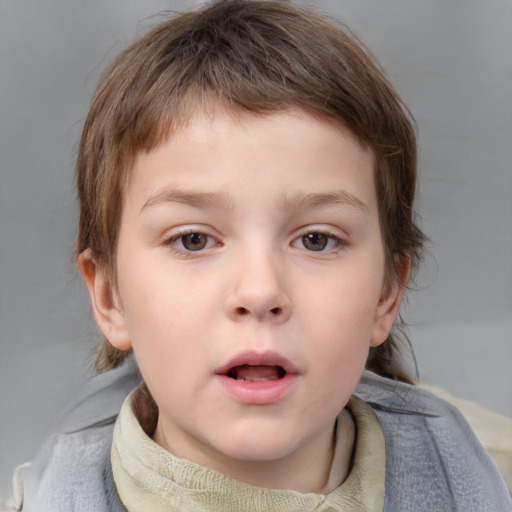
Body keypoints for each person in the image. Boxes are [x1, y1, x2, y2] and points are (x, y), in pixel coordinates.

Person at [9, 1, 511, 510]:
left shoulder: (491, 477)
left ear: (386, 293)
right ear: (109, 295)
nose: (259, 291)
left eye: (316, 239)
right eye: (193, 240)